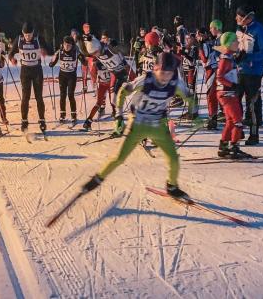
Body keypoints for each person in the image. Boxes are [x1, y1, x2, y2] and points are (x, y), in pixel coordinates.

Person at [80, 52, 203, 199]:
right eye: (162, 73)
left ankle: (172, 186)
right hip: (138, 124)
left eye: (169, 73)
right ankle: (96, 180)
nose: (165, 77)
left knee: (173, 159)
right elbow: (124, 90)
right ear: (155, 69)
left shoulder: (175, 83)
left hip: (158, 126)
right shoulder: (145, 80)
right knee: (119, 158)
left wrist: (194, 114)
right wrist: (118, 116)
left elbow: (190, 97)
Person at [234, 7, 263, 145]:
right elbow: (234, 46)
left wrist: (248, 57)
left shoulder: (260, 30)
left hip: (253, 72)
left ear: (246, 18)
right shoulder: (239, 29)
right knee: (235, 101)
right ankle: (238, 130)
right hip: (239, 71)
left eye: (238, 17)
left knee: (252, 103)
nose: (236, 19)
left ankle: (254, 134)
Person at [215, 32, 254, 158]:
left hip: (227, 93)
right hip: (227, 93)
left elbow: (229, 70)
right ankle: (234, 147)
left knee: (230, 121)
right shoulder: (225, 58)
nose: (238, 43)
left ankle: (224, 146)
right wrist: (232, 86)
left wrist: (238, 59)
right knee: (237, 121)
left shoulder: (228, 56)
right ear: (229, 44)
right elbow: (220, 76)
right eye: (236, 41)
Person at [77, 31, 129, 119]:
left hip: (118, 74)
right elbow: (87, 54)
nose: (96, 55)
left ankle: (116, 113)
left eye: (105, 38)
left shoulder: (107, 47)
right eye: (102, 38)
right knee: (108, 98)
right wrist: (80, 44)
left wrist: (117, 46)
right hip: (106, 79)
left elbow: (124, 50)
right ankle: (106, 110)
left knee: (114, 99)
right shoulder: (95, 51)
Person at [9, 23, 49, 133]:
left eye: (29, 35)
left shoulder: (38, 38)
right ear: (22, 33)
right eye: (25, 35)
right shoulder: (19, 39)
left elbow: (48, 49)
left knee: (38, 96)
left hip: (37, 70)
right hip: (25, 70)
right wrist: (12, 59)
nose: (27, 37)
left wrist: (44, 51)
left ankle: (42, 120)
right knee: (25, 97)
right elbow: (11, 53)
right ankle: (24, 121)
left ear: (33, 33)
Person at [49, 36, 87, 125]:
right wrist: (51, 64)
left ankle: (74, 115)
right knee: (62, 95)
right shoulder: (59, 52)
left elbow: (84, 61)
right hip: (62, 76)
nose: (67, 47)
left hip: (71, 76)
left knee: (70, 95)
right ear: (63, 44)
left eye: (69, 45)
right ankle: (62, 115)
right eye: (65, 44)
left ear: (72, 45)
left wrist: (84, 61)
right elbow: (53, 62)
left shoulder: (76, 52)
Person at [199, 20, 223, 129]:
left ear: (216, 28)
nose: (210, 30)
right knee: (214, 94)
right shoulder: (215, 40)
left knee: (212, 95)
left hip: (216, 69)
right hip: (215, 69)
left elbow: (209, 56)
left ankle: (213, 118)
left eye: (211, 28)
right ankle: (214, 117)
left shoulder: (221, 39)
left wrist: (202, 46)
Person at [81, 60, 114, 131]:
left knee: (110, 102)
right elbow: (93, 75)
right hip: (105, 84)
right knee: (101, 103)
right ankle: (88, 121)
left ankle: (88, 121)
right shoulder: (98, 63)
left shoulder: (99, 62)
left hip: (108, 84)